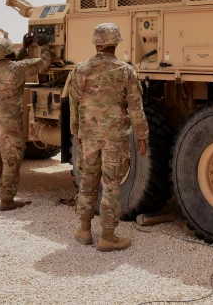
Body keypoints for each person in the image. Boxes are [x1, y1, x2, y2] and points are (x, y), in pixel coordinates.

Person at [67, 23, 148, 252]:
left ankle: (83, 230)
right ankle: (108, 237)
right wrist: (142, 136)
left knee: (88, 181)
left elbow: (73, 102)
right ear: (116, 42)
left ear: (96, 42)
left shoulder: (80, 69)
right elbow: (136, 108)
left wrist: (76, 132)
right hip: (115, 138)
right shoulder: (125, 71)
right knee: (111, 185)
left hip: (89, 137)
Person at [0, 32, 51, 210]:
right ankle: (7, 199)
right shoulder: (17, 69)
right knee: (12, 158)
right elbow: (43, 63)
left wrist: (24, 47)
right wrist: (44, 47)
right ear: (9, 52)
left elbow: (11, 60)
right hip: (11, 120)